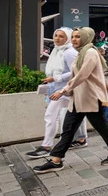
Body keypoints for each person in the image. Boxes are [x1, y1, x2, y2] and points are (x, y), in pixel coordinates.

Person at [33, 27, 108, 173]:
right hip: (79, 97)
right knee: (69, 128)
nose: (75, 39)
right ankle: (56, 160)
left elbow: (83, 75)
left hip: (90, 98)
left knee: (100, 126)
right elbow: (92, 75)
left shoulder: (90, 53)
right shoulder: (81, 52)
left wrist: (63, 90)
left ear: (86, 37)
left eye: (78, 36)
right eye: (74, 36)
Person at [26, 28, 88, 159]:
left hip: (64, 90)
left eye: (61, 36)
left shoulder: (69, 52)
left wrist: (55, 78)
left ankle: (46, 146)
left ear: (67, 38)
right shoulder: (57, 50)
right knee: (73, 115)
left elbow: (76, 71)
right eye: (55, 35)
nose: (57, 38)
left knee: (50, 116)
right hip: (59, 89)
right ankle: (81, 139)